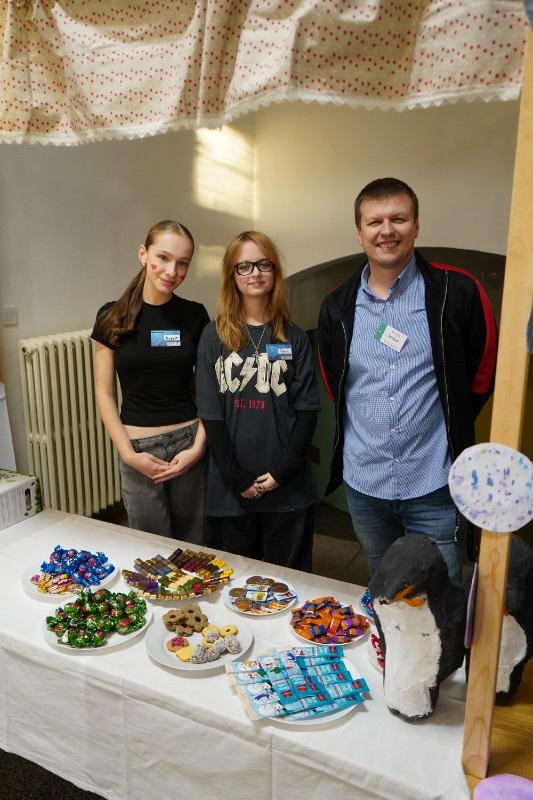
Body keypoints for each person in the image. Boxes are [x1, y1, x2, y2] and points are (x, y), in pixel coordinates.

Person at [318, 177, 497, 584]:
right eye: (374, 221)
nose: (387, 230)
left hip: (433, 482)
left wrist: (451, 423)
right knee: (385, 586)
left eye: (398, 219)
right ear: (359, 232)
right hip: (365, 483)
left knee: (441, 594)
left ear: (416, 226)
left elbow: (481, 374)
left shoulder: (457, 291)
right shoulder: (336, 306)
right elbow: (335, 383)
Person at [196, 231, 319, 571]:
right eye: (244, 266)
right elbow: (211, 413)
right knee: (234, 583)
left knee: (289, 583)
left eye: (264, 264)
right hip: (230, 490)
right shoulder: (213, 336)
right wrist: (236, 478)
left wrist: (281, 472)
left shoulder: (294, 338)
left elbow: (307, 410)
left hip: (287, 487)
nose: (255, 273)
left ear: (275, 271)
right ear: (232, 275)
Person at [91, 219, 209, 542]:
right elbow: (103, 393)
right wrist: (128, 454)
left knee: (193, 550)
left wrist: (199, 446)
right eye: (163, 258)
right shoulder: (111, 316)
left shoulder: (195, 315)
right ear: (143, 254)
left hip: (188, 444)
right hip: (139, 449)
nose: (172, 271)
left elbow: (208, 389)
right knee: (150, 553)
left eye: (183, 263)